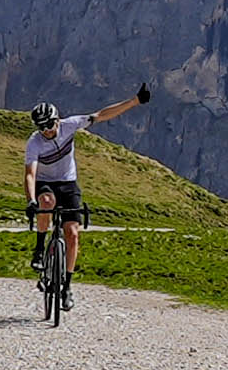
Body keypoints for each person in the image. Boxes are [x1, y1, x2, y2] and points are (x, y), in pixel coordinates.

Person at [25, 84, 150, 293]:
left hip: (67, 181)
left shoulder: (70, 125)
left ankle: (66, 287)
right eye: (41, 127)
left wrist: (134, 101)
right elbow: (30, 174)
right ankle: (39, 249)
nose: (46, 131)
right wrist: (31, 200)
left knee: (72, 234)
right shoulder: (34, 143)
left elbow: (101, 115)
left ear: (57, 120)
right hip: (45, 182)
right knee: (46, 203)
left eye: (49, 125)